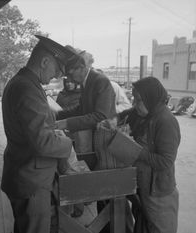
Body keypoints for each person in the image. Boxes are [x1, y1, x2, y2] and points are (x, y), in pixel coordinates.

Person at [1, 35, 78, 233]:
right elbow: (42, 142)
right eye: (57, 70)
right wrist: (68, 143)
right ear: (44, 62)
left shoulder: (25, 83)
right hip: (30, 179)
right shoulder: (26, 89)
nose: (57, 76)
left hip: (27, 173)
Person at [99, 76, 181, 233]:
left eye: (138, 100)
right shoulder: (143, 113)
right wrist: (114, 120)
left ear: (151, 98)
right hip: (142, 185)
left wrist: (134, 150)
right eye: (133, 99)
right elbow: (127, 113)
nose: (134, 104)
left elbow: (165, 161)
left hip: (158, 192)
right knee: (143, 226)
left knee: (159, 228)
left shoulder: (166, 121)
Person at [55, 45, 116, 152]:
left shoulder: (100, 81)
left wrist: (66, 123)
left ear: (82, 68)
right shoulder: (86, 82)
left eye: (70, 73)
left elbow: (100, 116)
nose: (69, 78)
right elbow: (81, 109)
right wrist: (57, 115)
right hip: (93, 137)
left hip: (104, 139)